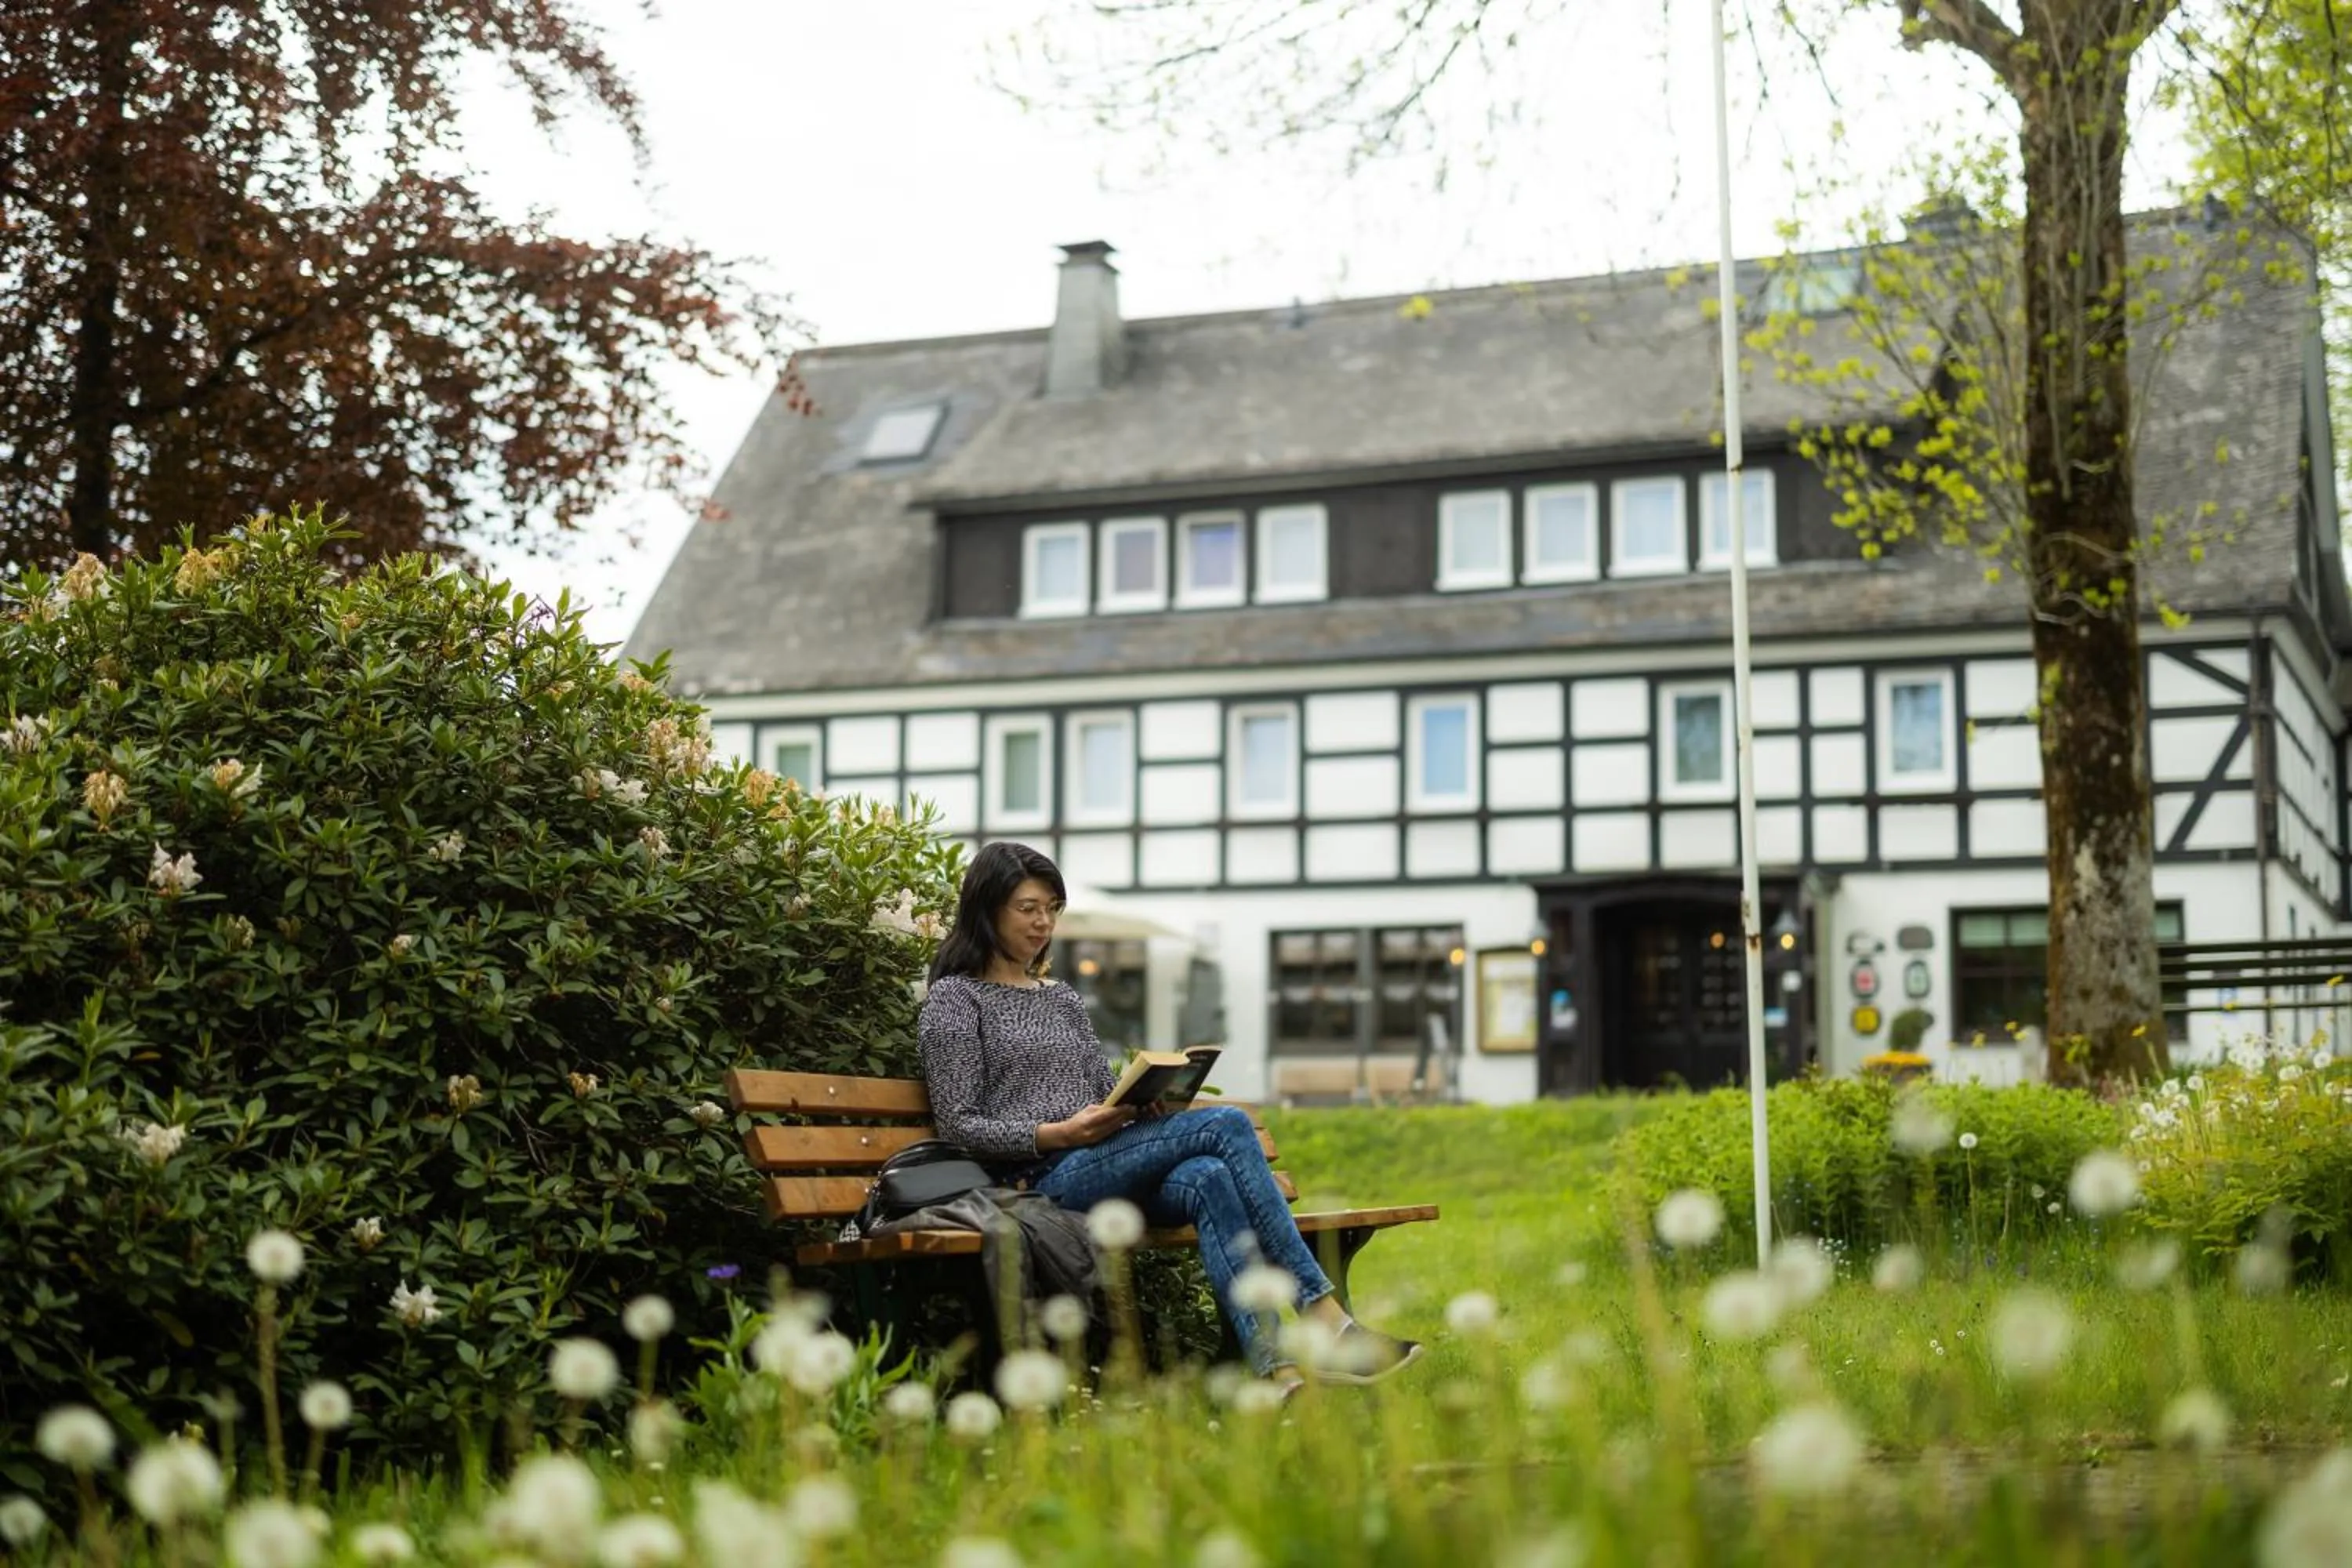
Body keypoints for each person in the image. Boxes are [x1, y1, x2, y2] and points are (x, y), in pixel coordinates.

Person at [917, 840, 1423, 1392]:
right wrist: (1056, 1133)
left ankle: (1277, 1372)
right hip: (1035, 1184)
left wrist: (1141, 1102)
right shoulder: (955, 1000)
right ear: (987, 908)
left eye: (1052, 909)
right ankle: (1327, 1321)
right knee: (1226, 1124)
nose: (1044, 923)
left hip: (1099, 1160)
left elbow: (1098, 1091)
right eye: (1029, 908)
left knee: (1209, 1178)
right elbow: (959, 1125)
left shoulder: (1059, 997)